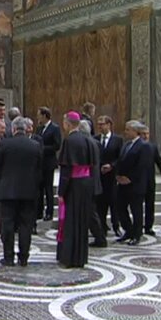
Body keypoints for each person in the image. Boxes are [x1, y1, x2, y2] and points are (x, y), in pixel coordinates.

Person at [0, 117, 43, 267]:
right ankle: (24, 257)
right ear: (26, 129)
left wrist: (2, 177)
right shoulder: (35, 145)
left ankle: (8, 257)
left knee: (8, 224)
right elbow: (40, 169)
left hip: (7, 191)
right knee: (26, 225)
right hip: (29, 191)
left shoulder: (4, 144)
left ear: (12, 129)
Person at [56, 113, 97, 268]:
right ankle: (80, 257)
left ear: (68, 123)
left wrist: (61, 192)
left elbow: (66, 170)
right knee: (82, 221)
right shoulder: (88, 139)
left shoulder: (69, 141)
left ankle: (70, 257)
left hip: (73, 185)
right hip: (86, 184)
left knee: (71, 221)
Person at [115, 120, 154, 246]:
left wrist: (130, 178)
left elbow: (143, 166)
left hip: (135, 184)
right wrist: (118, 176)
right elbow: (120, 161)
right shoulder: (126, 145)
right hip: (122, 183)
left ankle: (137, 234)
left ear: (135, 131)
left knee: (136, 211)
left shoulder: (144, 146)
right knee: (120, 208)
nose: (125, 132)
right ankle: (128, 230)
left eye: (128, 130)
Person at [78, 120, 107, 248]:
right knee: (91, 213)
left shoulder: (85, 143)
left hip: (87, 183)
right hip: (94, 182)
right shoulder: (95, 142)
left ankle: (100, 238)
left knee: (91, 214)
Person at [95, 115, 124, 236]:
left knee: (113, 203)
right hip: (100, 176)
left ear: (109, 125)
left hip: (112, 177)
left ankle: (116, 225)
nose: (100, 126)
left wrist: (111, 166)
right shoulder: (95, 139)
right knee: (100, 203)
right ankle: (102, 226)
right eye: (99, 124)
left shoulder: (117, 140)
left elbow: (121, 157)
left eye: (102, 124)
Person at [140, 125, 161, 236]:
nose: (146, 136)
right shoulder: (135, 146)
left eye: (147, 133)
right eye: (143, 133)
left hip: (150, 180)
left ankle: (148, 226)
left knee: (150, 204)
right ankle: (137, 226)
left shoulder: (152, 147)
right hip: (138, 181)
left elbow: (158, 160)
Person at [37, 107, 61, 222]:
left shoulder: (54, 129)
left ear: (45, 115)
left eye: (39, 115)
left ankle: (49, 212)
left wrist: (42, 149)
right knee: (39, 188)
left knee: (48, 188)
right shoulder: (39, 128)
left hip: (49, 162)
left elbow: (57, 145)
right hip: (39, 163)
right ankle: (39, 211)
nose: (38, 117)